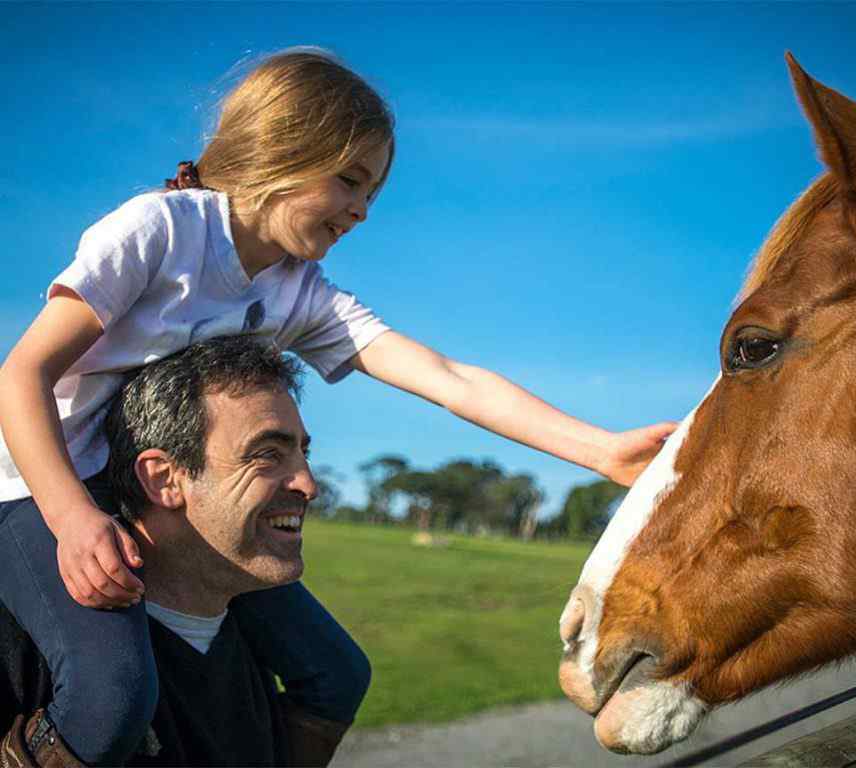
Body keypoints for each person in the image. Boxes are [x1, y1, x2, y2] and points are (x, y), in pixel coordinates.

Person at [0, 48, 676, 766]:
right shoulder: (160, 231)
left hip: (147, 499)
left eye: (373, 194)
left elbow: (450, 377)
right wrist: (71, 517)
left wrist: (600, 451)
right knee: (114, 693)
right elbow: (20, 375)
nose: (360, 210)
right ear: (278, 152)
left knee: (337, 673)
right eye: (349, 180)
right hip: (31, 489)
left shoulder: (300, 292)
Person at [2, 337, 357, 767]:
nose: (309, 484)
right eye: (267, 454)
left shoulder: (255, 641)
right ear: (164, 479)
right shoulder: (29, 651)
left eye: (303, 452)